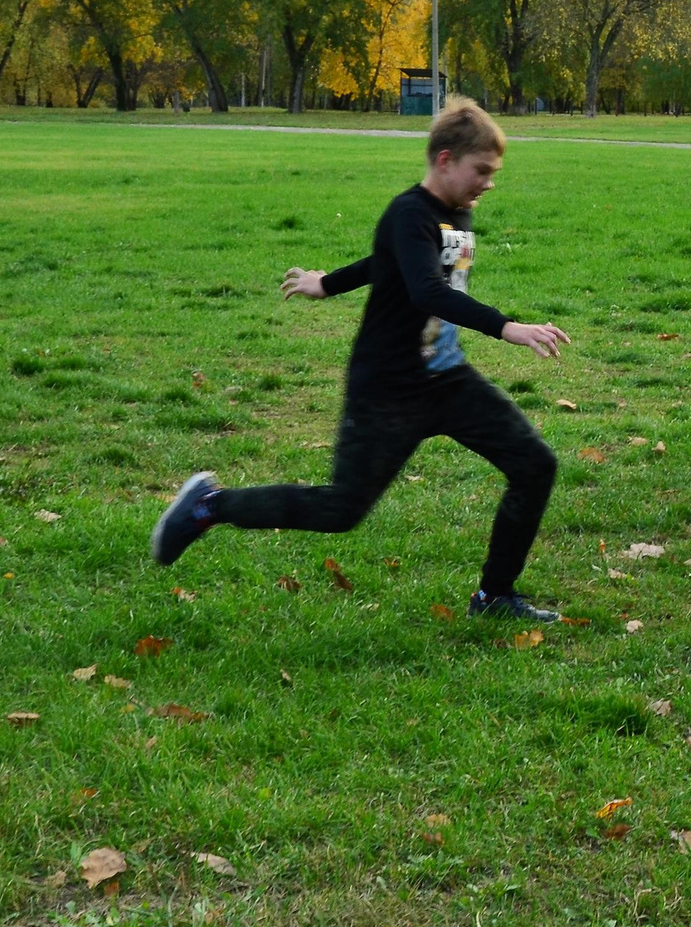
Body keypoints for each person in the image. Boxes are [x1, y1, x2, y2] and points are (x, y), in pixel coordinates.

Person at [148, 98, 574, 620]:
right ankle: (208, 506)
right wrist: (508, 327)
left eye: (494, 172)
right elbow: (425, 289)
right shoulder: (409, 211)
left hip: (446, 380)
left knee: (535, 465)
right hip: (389, 389)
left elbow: (391, 260)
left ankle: (493, 596)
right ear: (445, 160)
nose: (489, 182)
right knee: (340, 510)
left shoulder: (457, 212)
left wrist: (327, 283)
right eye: (480, 171)